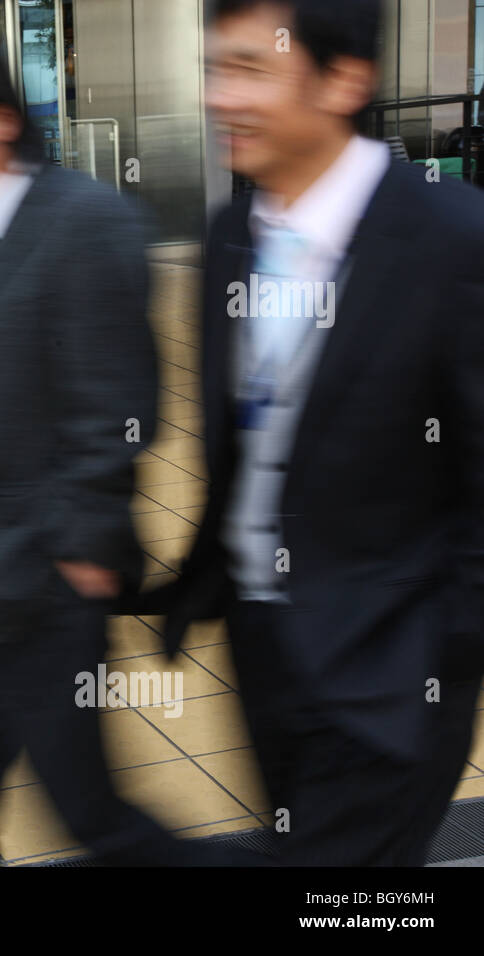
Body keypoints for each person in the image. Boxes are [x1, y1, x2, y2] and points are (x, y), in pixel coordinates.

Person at [137, 0, 484, 864]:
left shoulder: (452, 243)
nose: (222, 97)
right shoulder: (228, 238)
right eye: (215, 68)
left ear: (344, 80)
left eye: (252, 68)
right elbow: (249, 449)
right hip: (266, 657)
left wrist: (434, 665)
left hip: (392, 686)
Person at [0, 30, 198, 866]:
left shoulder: (83, 222)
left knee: (96, 821)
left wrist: (83, 551)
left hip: (40, 590)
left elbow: (120, 403)